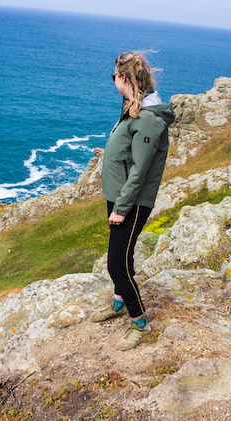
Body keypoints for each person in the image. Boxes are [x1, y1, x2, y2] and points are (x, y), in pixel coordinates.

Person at [88, 51, 175, 351]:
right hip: (119, 196)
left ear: (123, 78)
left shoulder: (149, 119)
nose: (113, 81)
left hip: (132, 202)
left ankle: (139, 321)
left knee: (117, 265)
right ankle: (118, 303)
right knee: (121, 257)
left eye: (114, 76)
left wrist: (122, 209)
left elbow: (140, 170)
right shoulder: (135, 107)